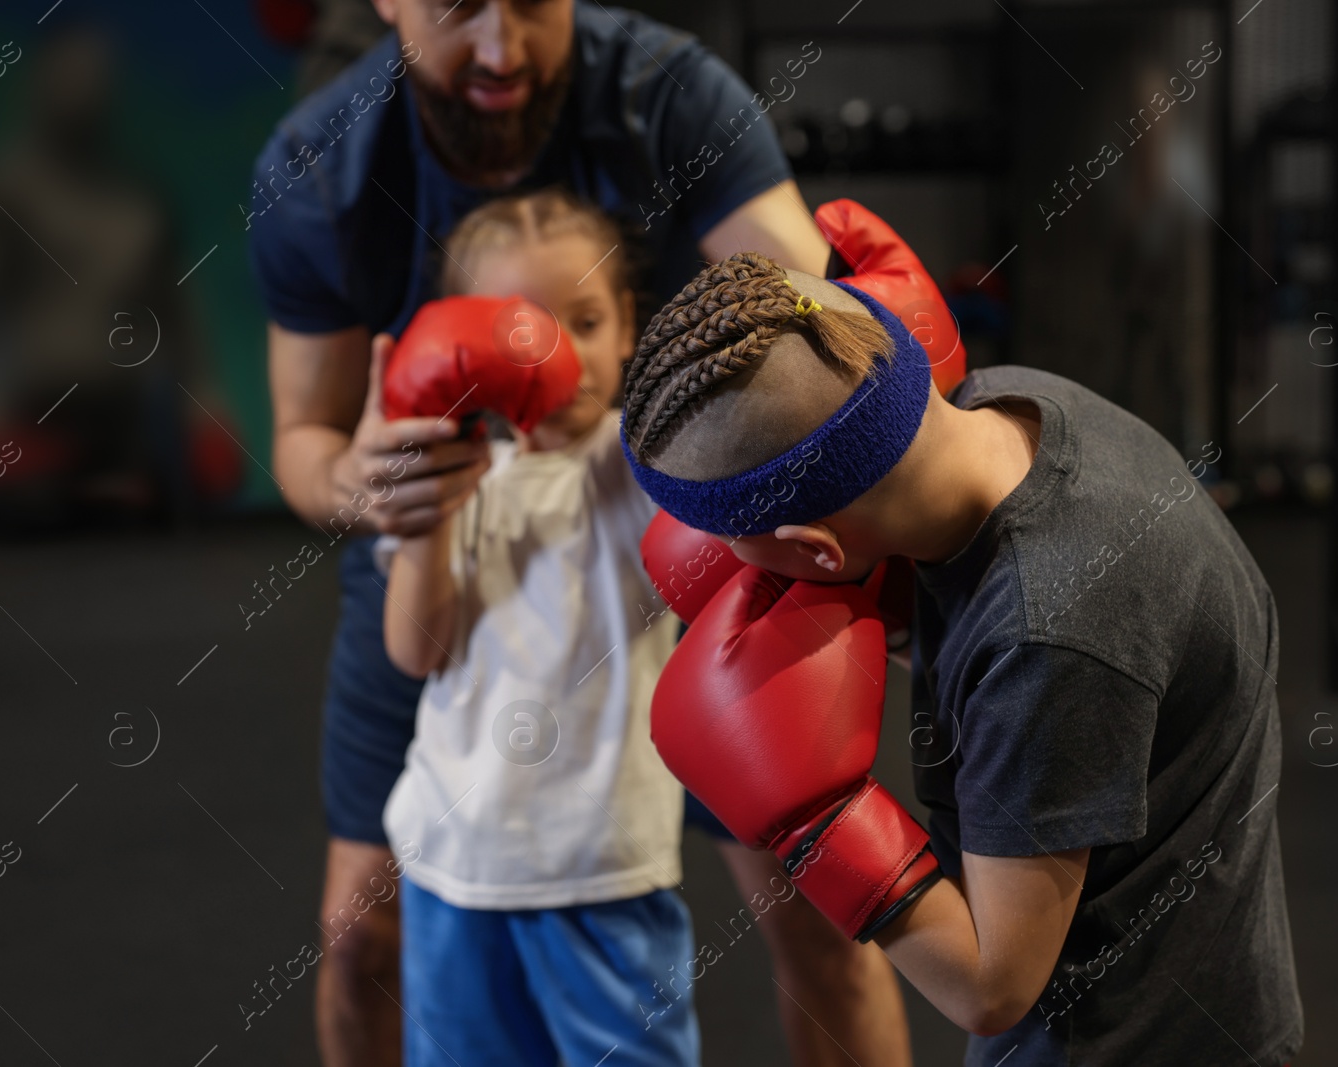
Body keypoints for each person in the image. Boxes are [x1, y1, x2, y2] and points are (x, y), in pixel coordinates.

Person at [246, 2, 909, 1063]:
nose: (503, 48)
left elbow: (816, 326)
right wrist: (366, 486)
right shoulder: (321, 169)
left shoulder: (667, 96)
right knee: (359, 932)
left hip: (687, 526)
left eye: (532, 5)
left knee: (819, 916)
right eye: (461, 8)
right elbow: (301, 439)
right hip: (450, 514)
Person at [617, 249, 1305, 1065]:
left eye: (736, 545)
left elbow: (990, 986)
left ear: (815, 548)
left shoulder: (1048, 638)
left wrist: (818, 825)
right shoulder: (1018, 402)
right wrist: (899, 622)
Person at [376, 189, 696, 1065]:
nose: (560, 354)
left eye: (584, 321)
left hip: (603, 866)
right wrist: (428, 490)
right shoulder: (462, 480)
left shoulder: (646, 466)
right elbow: (415, 649)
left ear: (628, 325)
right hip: (454, 860)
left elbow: (724, 521)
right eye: (523, 330)